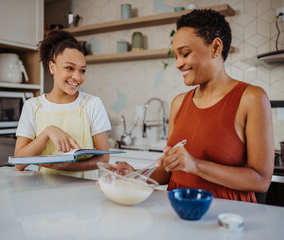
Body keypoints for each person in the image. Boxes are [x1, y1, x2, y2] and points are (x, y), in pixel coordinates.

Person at [115, 9, 274, 202]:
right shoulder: (179, 103)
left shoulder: (252, 98)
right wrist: (133, 175)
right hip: (177, 209)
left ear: (216, 47)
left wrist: (196, 165)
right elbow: (168, 172)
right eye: (176, 56)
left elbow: (261, 180)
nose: (178, 64)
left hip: (225, 216)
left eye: (185, 53)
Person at [14, 30, 111, 179]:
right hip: (45, 194)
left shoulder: (92, 104)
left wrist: (71, 167)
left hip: (85, 193)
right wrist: (47, 132)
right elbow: (19, 163)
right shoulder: (33, 106)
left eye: (82, 70)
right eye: (69, 68)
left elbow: (104, 158)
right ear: (52, 67)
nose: (77, 77)